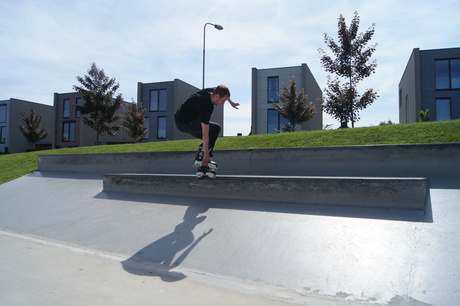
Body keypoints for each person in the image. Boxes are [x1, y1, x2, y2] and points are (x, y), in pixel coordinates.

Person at [174, 85, 239, 176]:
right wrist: (206, 154)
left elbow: (224, 91)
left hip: (182, 119)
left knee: (210, 138)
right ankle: (202, 158)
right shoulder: (206, 106)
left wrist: (231, 102)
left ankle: (201, 159)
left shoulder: (212, 91)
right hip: (185, 124)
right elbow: (205, 134)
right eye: (223, 101)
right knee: (215, 129)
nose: (223, 103)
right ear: (217, 96)